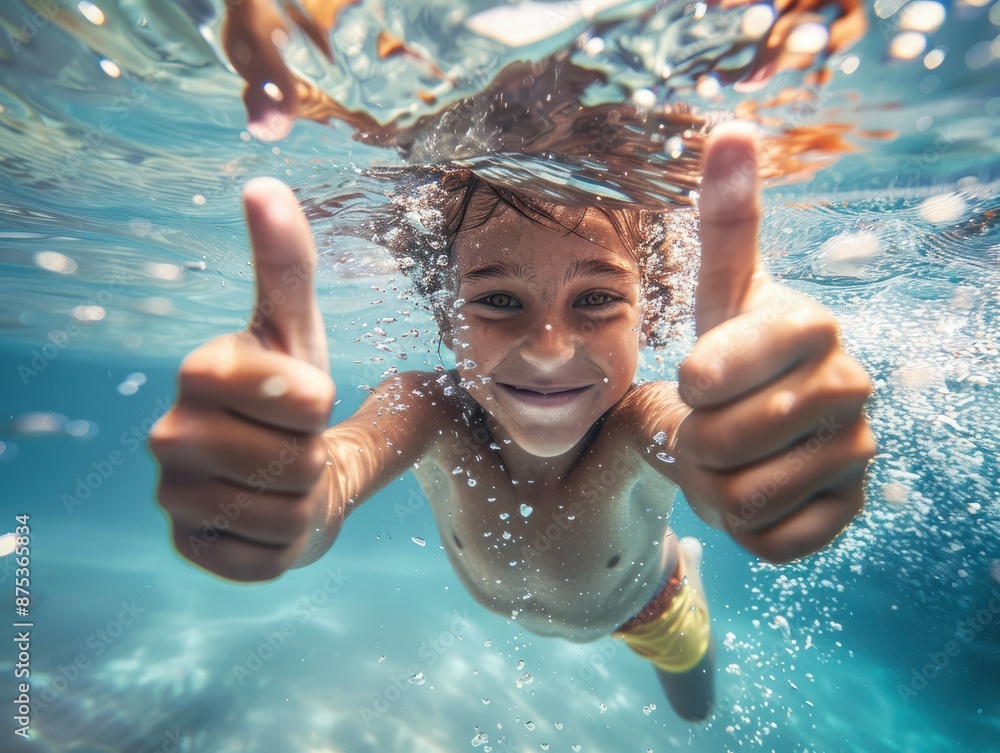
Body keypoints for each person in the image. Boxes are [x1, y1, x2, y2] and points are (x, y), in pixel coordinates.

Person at [149, 121, 875, 722]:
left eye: (596, 300)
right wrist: (280, 493)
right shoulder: (427, 408)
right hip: (535, 604)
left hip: (650, 606)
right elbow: (338, 468)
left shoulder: (636, 422)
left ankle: (689, 567)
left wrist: (763, 455)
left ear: (648, 312)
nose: (551, 349)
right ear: (444, 312)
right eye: (498, 301)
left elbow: (694, 441)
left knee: (695, 707)